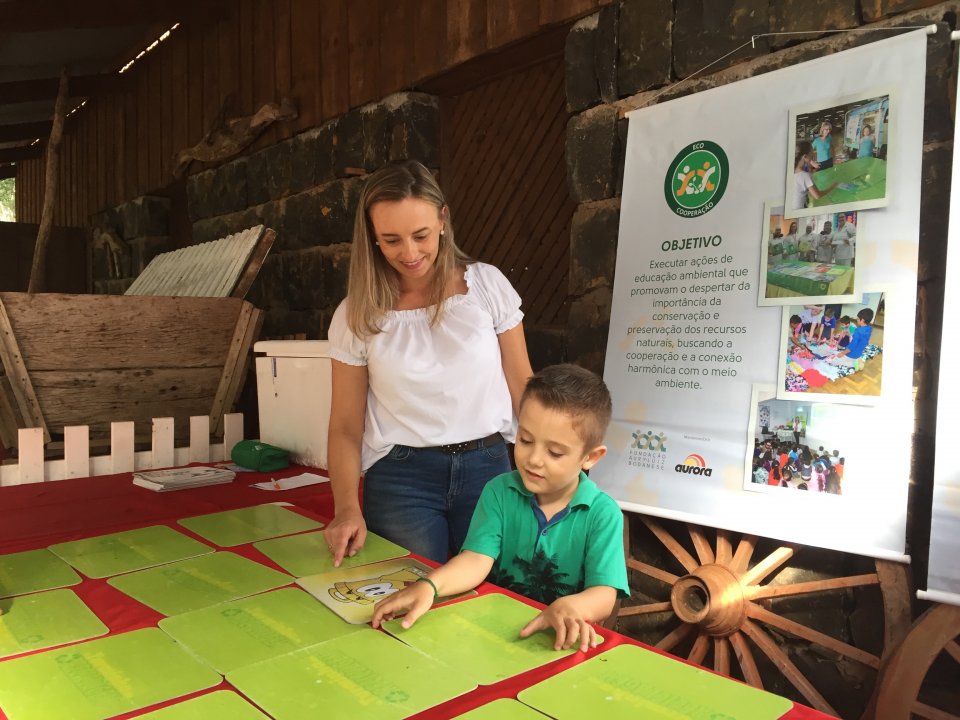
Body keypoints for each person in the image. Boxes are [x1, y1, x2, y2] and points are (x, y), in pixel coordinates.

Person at [324, 160, 534, 565]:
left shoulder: (486, 285)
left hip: (489, 469)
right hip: (402, 480)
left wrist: (554, 463)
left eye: (420, 235)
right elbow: (346, 426)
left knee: (498, 599)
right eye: (391, 240)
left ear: (443, 220)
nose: (410, 253)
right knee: (411, 602)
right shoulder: (357, 314)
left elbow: (523, 385)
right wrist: (346, 507)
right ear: (372, 238)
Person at [371, 364, 629, 652]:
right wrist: (430, 587)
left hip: (559, 646)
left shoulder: (602, 514)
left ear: (591, 457)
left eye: (554, 452)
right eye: (526, 440)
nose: (534, 459)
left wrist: (570, 606)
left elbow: (605, 594)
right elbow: (476, 560)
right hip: (492, 635)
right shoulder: (499, 492)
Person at [794, 141, 838, 211]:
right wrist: (834, 185)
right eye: (811, 154)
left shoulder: (793, 170)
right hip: (798, 209)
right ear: (805, 156)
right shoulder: (805, 176)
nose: (813, 156)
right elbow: (817, 196)